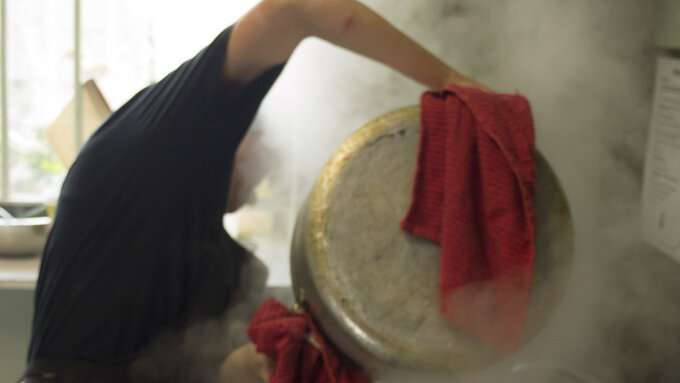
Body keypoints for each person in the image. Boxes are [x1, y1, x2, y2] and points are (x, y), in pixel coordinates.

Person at [21, 0, 489, 382]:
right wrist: (455, 83)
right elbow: (298, 7)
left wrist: (252, 365)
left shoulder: (213, 253)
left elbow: (185, 367)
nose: (258, 185)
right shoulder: (149, 145)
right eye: (263, 161)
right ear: (235, 130)